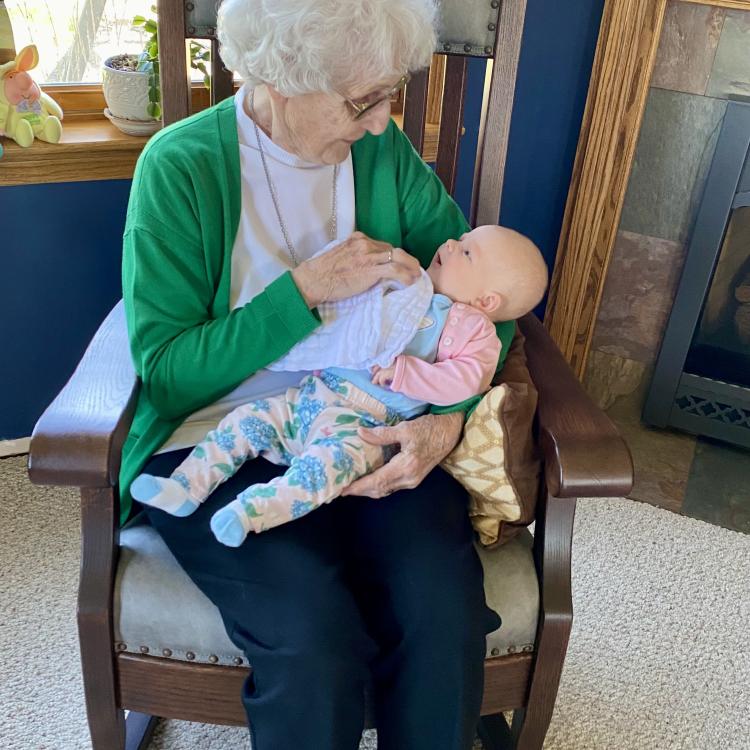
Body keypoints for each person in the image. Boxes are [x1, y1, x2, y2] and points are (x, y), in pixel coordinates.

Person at [120, 1, 522, 747]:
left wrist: (447, 418)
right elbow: (170, 374)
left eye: (389, 93)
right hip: (228, 436)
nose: (380, 122)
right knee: (311, 637)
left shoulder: (384, 155)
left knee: (441, 605)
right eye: (363, 100)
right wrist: (301, 294)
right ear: (280, 73)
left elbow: (486, 302)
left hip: (376, 423)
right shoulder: (179, 168)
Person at [129, 226, 547, 547]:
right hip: (313, 395)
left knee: (322, 473)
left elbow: (465, 381)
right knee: (246, 422)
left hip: (365, 425)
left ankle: (250, 512)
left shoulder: (474, 331)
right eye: (461, 238)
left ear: (487, 302)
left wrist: (406, 374)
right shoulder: (409, 281)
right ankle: (186, 485)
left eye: (467, 252)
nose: (452, 242)